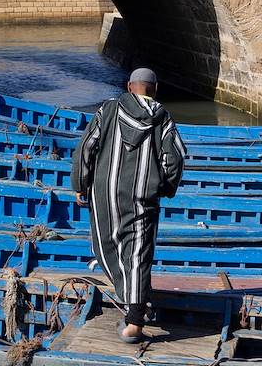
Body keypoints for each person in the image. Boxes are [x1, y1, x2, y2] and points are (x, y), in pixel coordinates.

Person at [71, 68, 185, 343]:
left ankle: (132, 306)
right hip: (142, 196)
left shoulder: (108, 110)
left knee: (106, 245)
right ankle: (135, 311)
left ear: (129, 86)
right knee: (138, 252)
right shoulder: (162, 117)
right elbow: (175, 158)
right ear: (154, 89)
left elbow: (87, 147)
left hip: (105, 193)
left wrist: (80, 183)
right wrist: (167, 188)